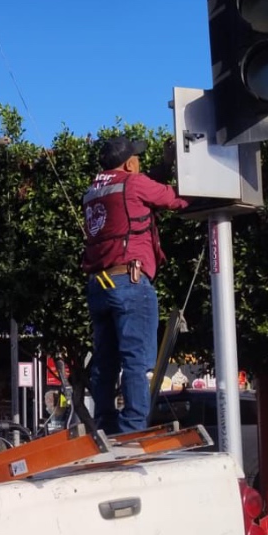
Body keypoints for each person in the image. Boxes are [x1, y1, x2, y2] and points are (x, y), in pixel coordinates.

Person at [81, 136, 188, 434]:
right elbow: (176, 198)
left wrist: (165, 165)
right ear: (129, 163)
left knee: (105, 362)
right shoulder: (134, 183)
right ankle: (133, 429)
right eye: (137, 159)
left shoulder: (93, 191)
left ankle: (105, 425)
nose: (139, 164)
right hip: (130, 282)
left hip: (99, 284)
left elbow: (138, 192)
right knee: (136, 362)